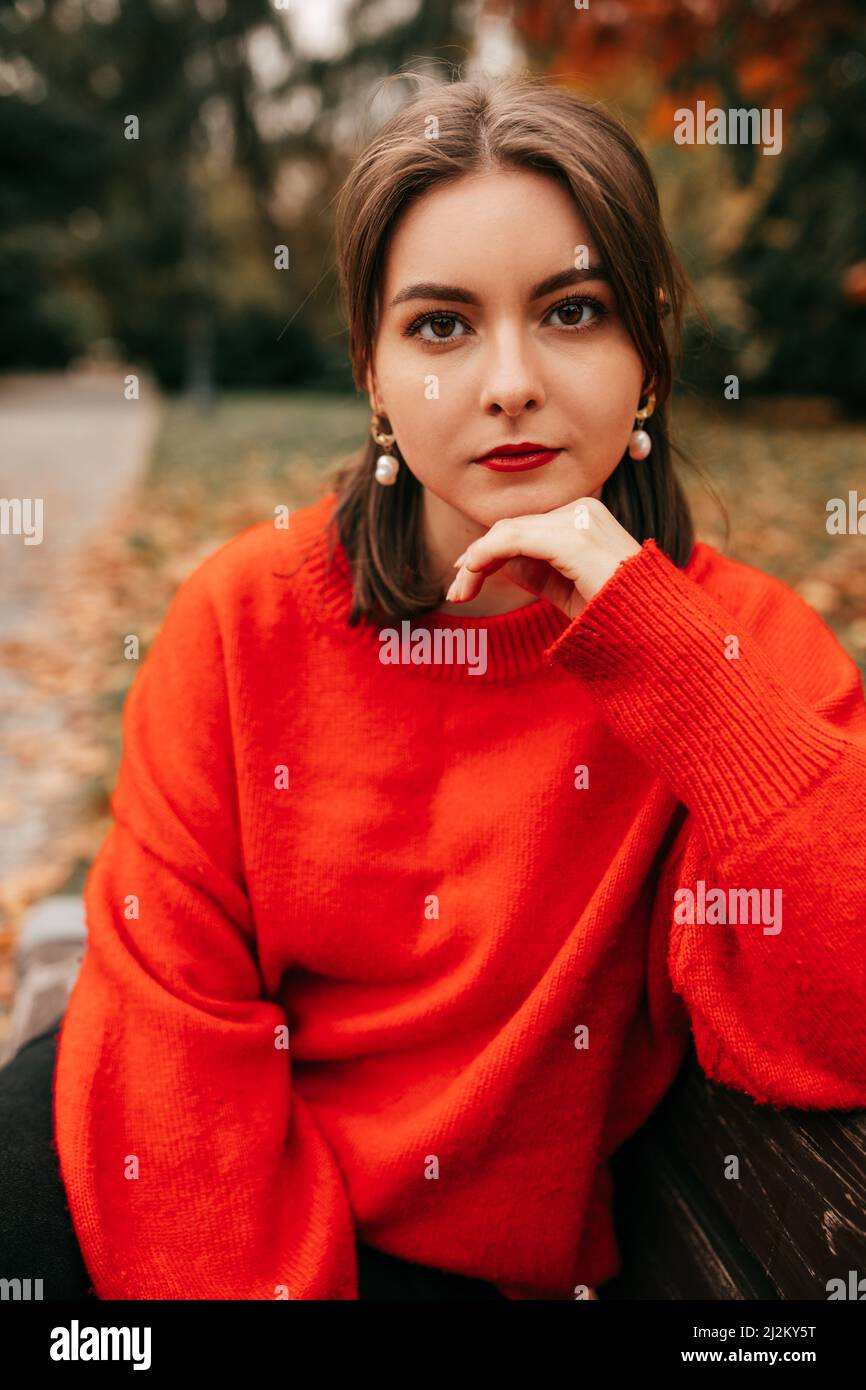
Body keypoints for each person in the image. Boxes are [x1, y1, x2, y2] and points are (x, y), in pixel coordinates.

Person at [18, 72, 866, 1301]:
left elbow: (837, 1014)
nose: (508, 379)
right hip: (179, 1212)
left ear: (649, 351)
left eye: (571, 312)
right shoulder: (239, 623)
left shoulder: (737, 653)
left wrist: (662, 656)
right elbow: (171, 1039)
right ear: (370, 369)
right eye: (440, 325)